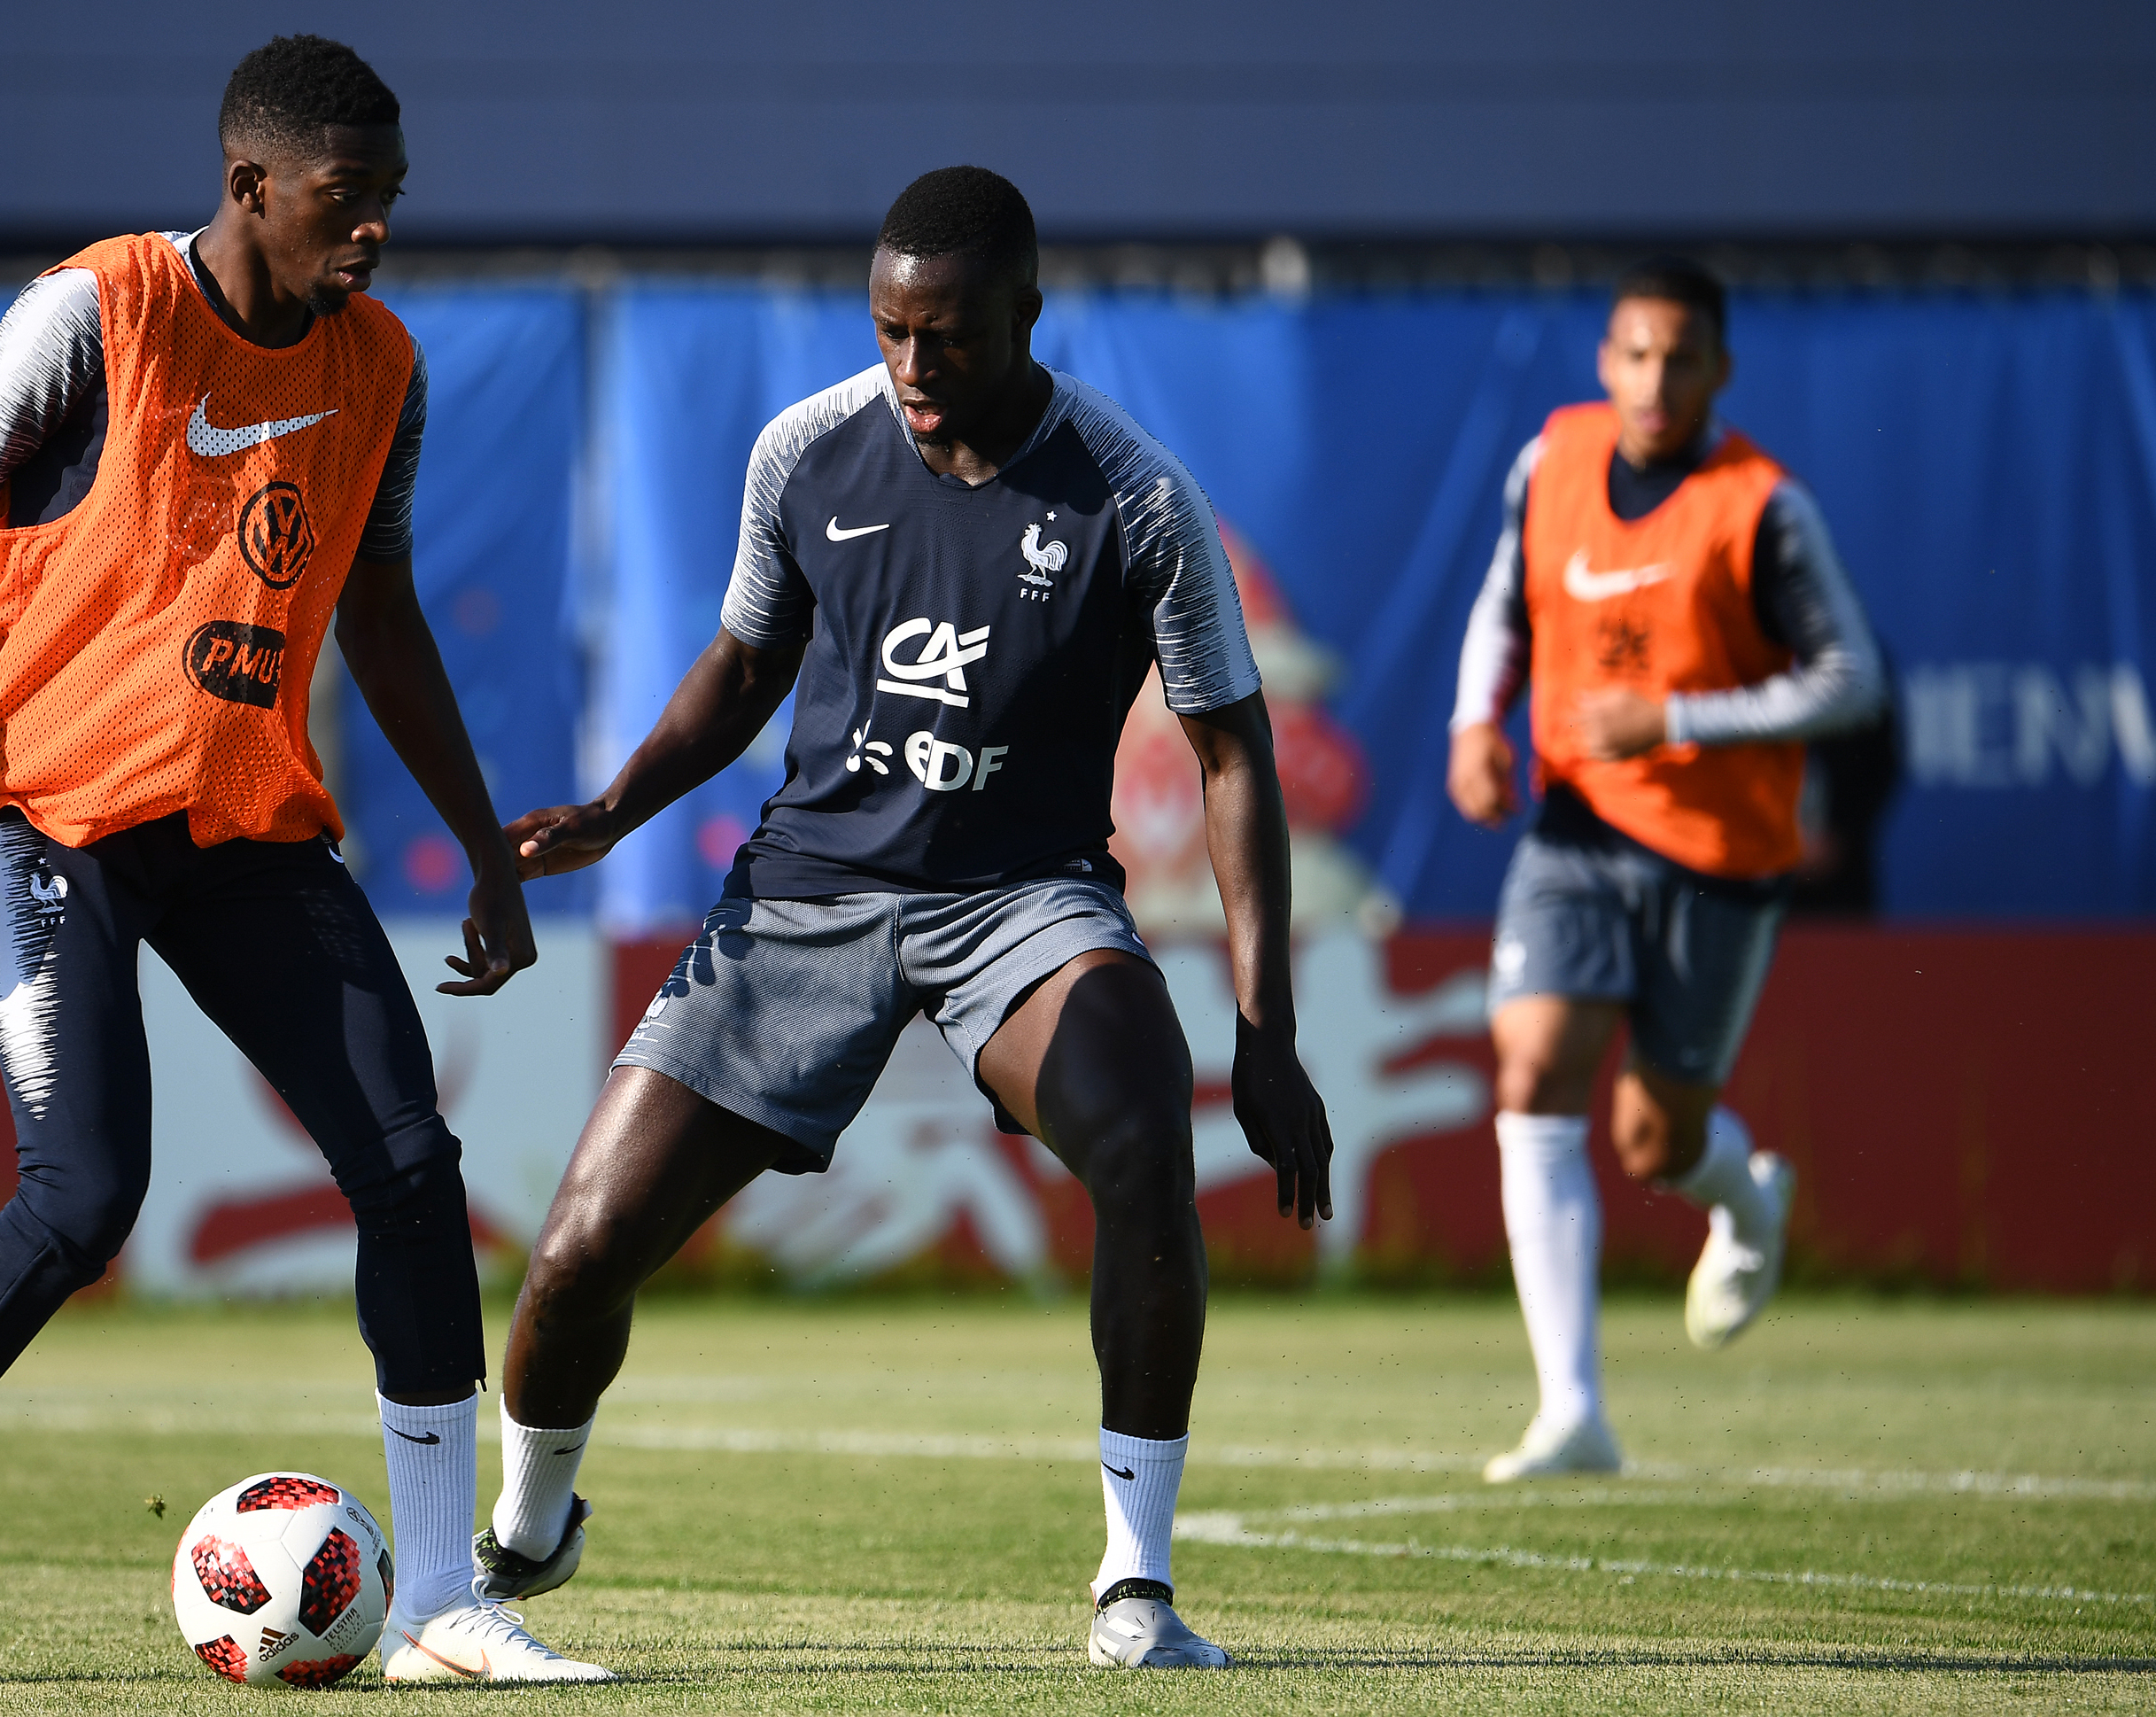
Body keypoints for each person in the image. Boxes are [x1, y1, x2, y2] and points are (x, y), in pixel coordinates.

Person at [0, 35, 608, 1687]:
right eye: (344, 203)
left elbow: (379, 610)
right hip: (54, 819)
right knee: (84, 1200)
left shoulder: (385, 367)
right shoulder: (97, 313)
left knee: (413, 1171)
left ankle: (437, 1597)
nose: (372, 234)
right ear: (250, 187)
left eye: (388, 204)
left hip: (245, 825)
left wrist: (483, 851)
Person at [474, 167, 1337, 1672]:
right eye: (890, 333)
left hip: (1027, 901)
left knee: (1144, 1139)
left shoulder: (1135, 496)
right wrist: (614, 810)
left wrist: (1267, 1035)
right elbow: (742, 667)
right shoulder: (806, 453)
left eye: (947, 337)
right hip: (810, 894)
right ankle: (527, 1528)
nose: (915, 370)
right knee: (578, 1253)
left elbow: (1231, 751)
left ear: (1027, 314)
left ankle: (1137, 1586)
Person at [1446, 256, 1886, 1482]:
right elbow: (1503, 603)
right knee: (1532, 1067)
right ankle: (1571, 1411)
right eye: (1634, 353)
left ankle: (1745, 1201)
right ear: (1604, 360)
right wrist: (1474, 724)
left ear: (1719, 371)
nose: (1653, 379)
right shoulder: (1554, 461)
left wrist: (1684, 716)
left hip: (1720, 855)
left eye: (1680, 357)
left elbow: (1855, 680)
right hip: (1578, 823)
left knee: (1652, 1138)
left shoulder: (1764, 508)